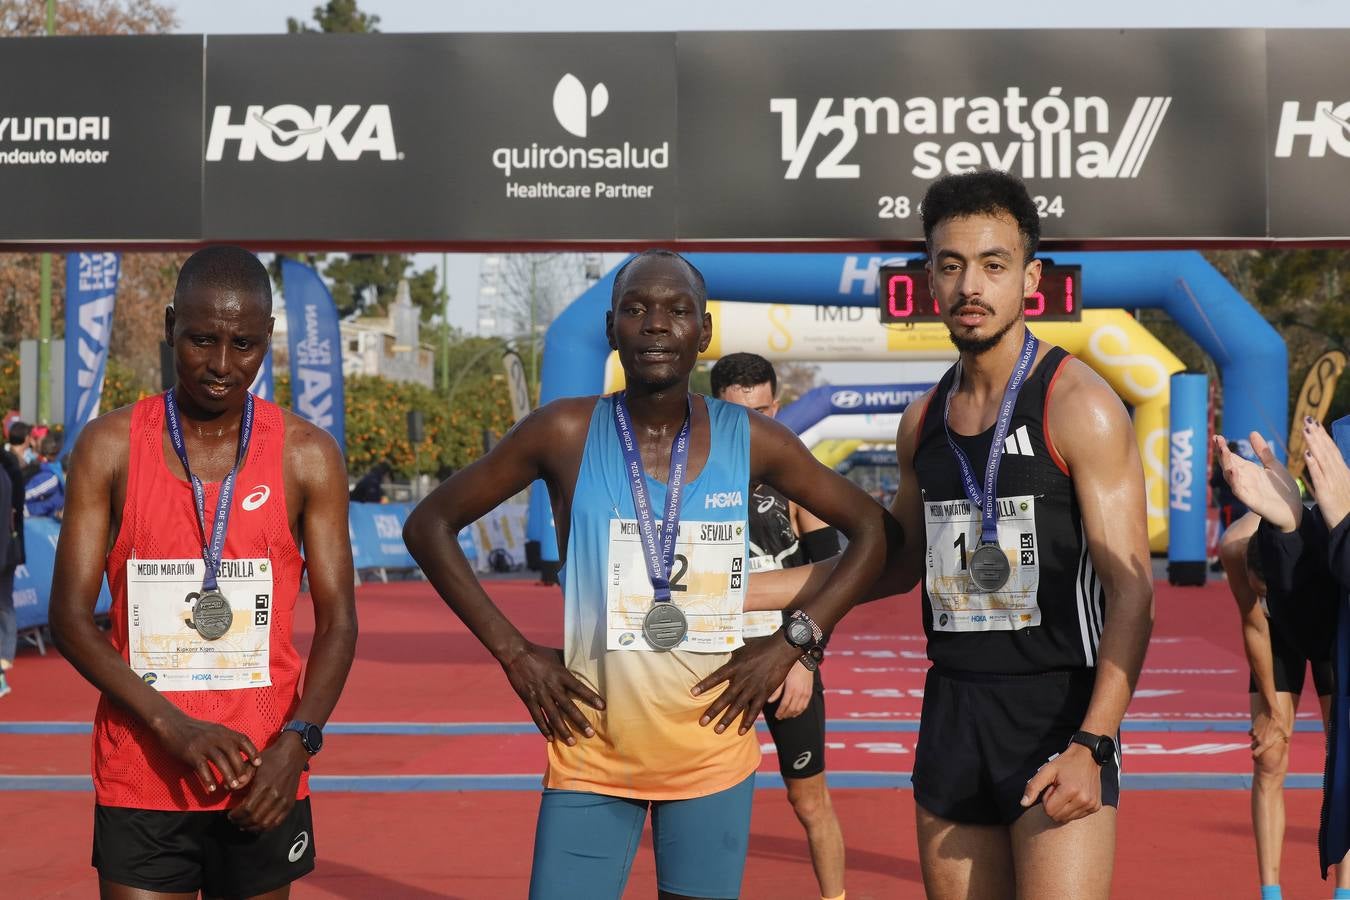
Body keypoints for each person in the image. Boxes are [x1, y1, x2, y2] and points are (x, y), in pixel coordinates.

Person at [403, 249, 889, 900]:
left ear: (704, 332)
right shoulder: (565, 432)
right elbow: (428, 524)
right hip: (591, 753)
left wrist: (795, 642)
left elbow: (874, 531)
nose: (656, 325)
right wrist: (514, 653)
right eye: (636, 310)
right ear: (610, 331)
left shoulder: (754, 440)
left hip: (712, 753)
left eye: (676, 310)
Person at [737, 170, 1155, 899]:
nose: (972, 286)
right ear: (928, 278)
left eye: (994, 265)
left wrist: (1095, 741)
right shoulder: (922, 421)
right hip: (953, 709)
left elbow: (1132, 591)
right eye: (952, 265)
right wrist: (733, 589)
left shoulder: (1079, 406)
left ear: (1029, 278)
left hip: (1056, 711)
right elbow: (891, 566)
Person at [49, 245, 358, 899]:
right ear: (170, 325)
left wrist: (298, 742)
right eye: (201, 339)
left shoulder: (307, 456)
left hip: (263, 772)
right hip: (143, 765)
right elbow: (70, 620)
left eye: (244, 344)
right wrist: (171, 725)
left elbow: (338, 622)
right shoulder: (108, 447)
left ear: (268, 339)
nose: (221, 365)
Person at [709, 351, 847, 900]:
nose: (753, 428)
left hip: (788, 658)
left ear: (779, 406)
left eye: (764, 413)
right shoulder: (686, 476)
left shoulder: (799, 475)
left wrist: (805, 661)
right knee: (708, 798)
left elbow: (833, 581)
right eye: (737, 417)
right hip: (713, 660)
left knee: (809, 801)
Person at [1216, 422, 1350, 892]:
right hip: (1278, 639)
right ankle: (1270, 890)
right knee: (1269, 757)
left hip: (1330, 622)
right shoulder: (1235, 546)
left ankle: (1344, 887)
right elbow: (1254, 622)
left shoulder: (1326, 538)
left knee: (1343, 754)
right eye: (1263, 592)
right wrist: (1274, 710)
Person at [24, 433, 66, 519]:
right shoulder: (51, 477)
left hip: (44, 521)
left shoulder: (51, 472)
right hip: (32, 522)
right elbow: (24, 495)